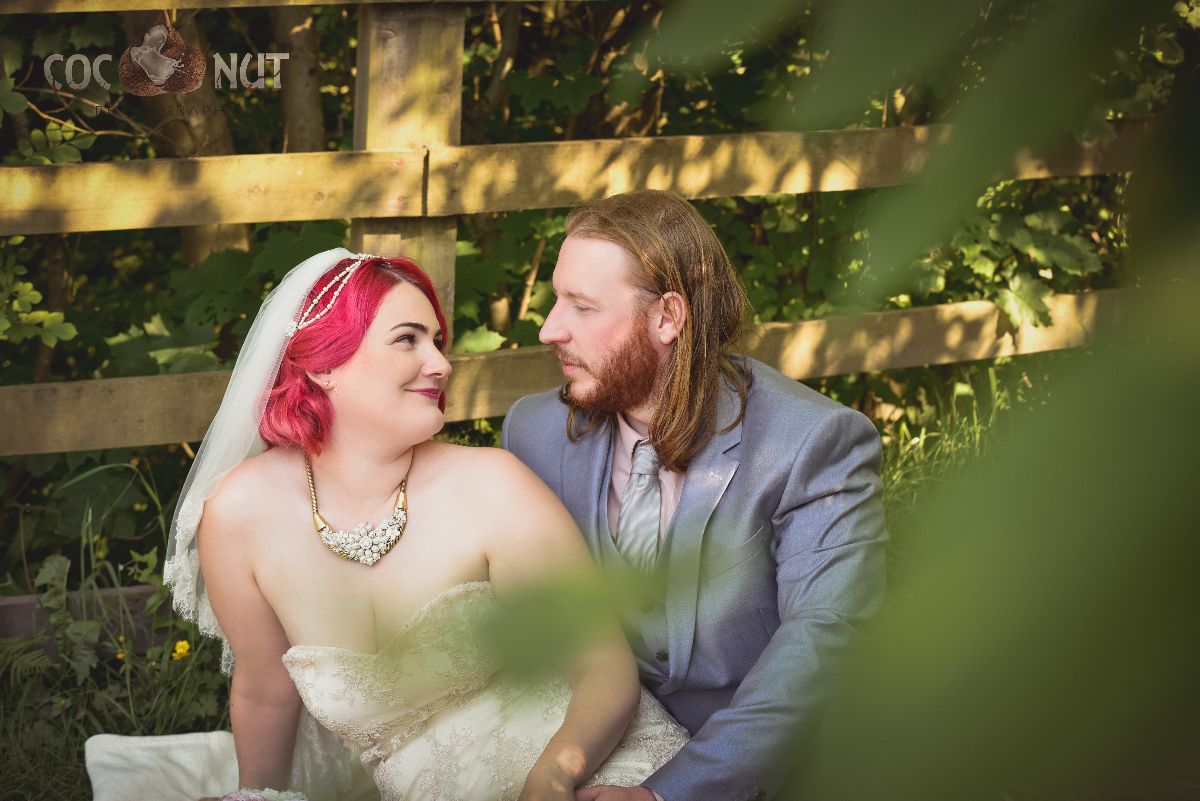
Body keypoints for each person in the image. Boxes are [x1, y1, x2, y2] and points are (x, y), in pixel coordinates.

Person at [157, 248, 688, 801]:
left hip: (593, 769)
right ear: (322, 364)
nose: (440, 364)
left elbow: (604, 669)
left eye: (437, 341)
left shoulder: (492, 485)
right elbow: (267, 690)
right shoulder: (240, 514)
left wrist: (552, 780)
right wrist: (255, 795)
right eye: (407, 339)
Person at [502, 190, 889, 801]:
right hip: (582, 752)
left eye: (582, 306)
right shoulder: (532, 432)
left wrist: (666, 793)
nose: (550, 328)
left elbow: (823, 637)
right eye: (556, 299)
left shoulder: (811, 442)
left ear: (667, 317)